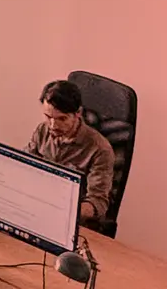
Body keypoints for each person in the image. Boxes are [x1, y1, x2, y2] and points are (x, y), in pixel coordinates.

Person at [26, 80, 116, 223]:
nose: (53, 126)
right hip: (38, 209)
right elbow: (26, 167)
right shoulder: (42, 130)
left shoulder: (100, 149)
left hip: (73, 220)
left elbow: (97, 203)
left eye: (62, 118)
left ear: (78, 113)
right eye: (48, 117)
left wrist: (62, 211)